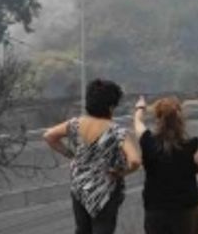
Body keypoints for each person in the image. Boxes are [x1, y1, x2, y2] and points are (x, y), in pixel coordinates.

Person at [44, 79, 142, 234]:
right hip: (105, 191)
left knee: (82, 229)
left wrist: (71, 155)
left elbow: (49, 136)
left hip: (80, 187)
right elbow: (135, 161)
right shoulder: (117, 132)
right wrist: (121, 172)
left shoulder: (75, 124)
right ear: (110, 107)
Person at [132, 95, 198, 234]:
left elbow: (137, 122)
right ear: (180, 120)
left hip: (156, 210)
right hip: (186, 210)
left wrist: (140, 107)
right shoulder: (191, 146)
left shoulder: (148, 143)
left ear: (158, 120)